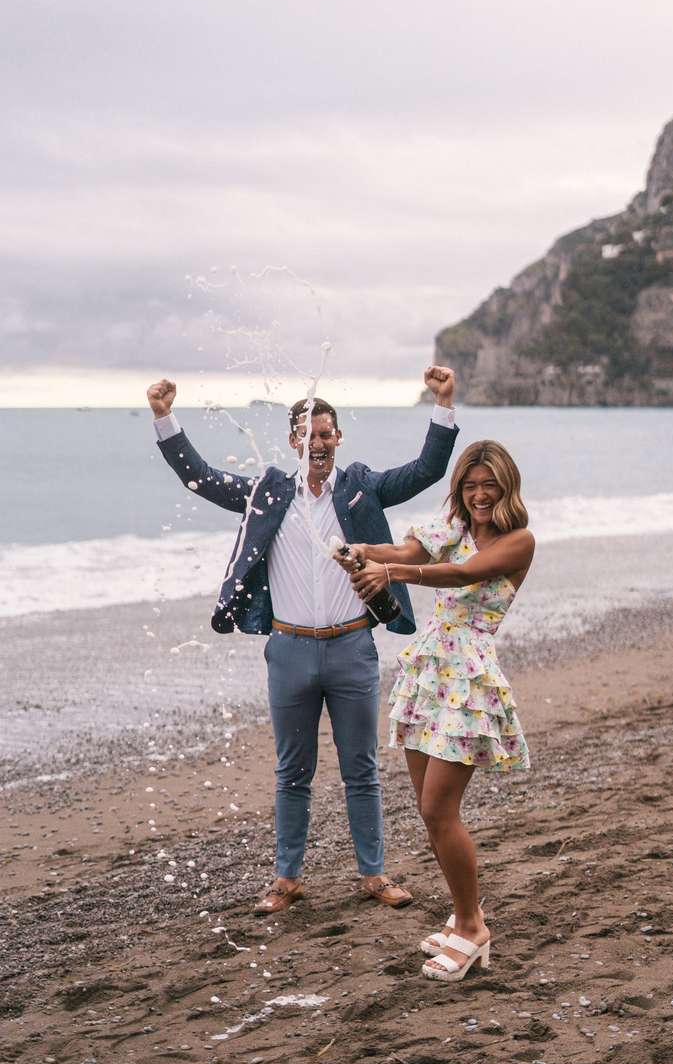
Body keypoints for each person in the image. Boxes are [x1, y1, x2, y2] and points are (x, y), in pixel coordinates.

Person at [146, 369, 459, 915]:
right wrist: (164, 416)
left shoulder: (362, 488)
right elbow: (200, 478)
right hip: (289, 651)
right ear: (293, 440)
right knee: (292, 773)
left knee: (361, 770)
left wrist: (444, 401)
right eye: (308, 434)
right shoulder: (268, 492)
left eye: (326, 434)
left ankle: (374, 874)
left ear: (339, 438)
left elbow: (427, 470)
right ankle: (286, 878)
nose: (317, 443)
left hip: (352, 648)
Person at [334, 440, 534, 981]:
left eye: (489, 485)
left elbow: (464, 574)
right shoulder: (455, 527)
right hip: (429, 673)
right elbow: (406, 551)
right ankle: (465, 914)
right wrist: (363, 552)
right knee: (430, 812)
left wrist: (391, 575)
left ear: (507, 487)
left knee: (441, 811)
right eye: (470, 486)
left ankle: (472, 928)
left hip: (468, 680)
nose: (479, 495)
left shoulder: (518, 541)